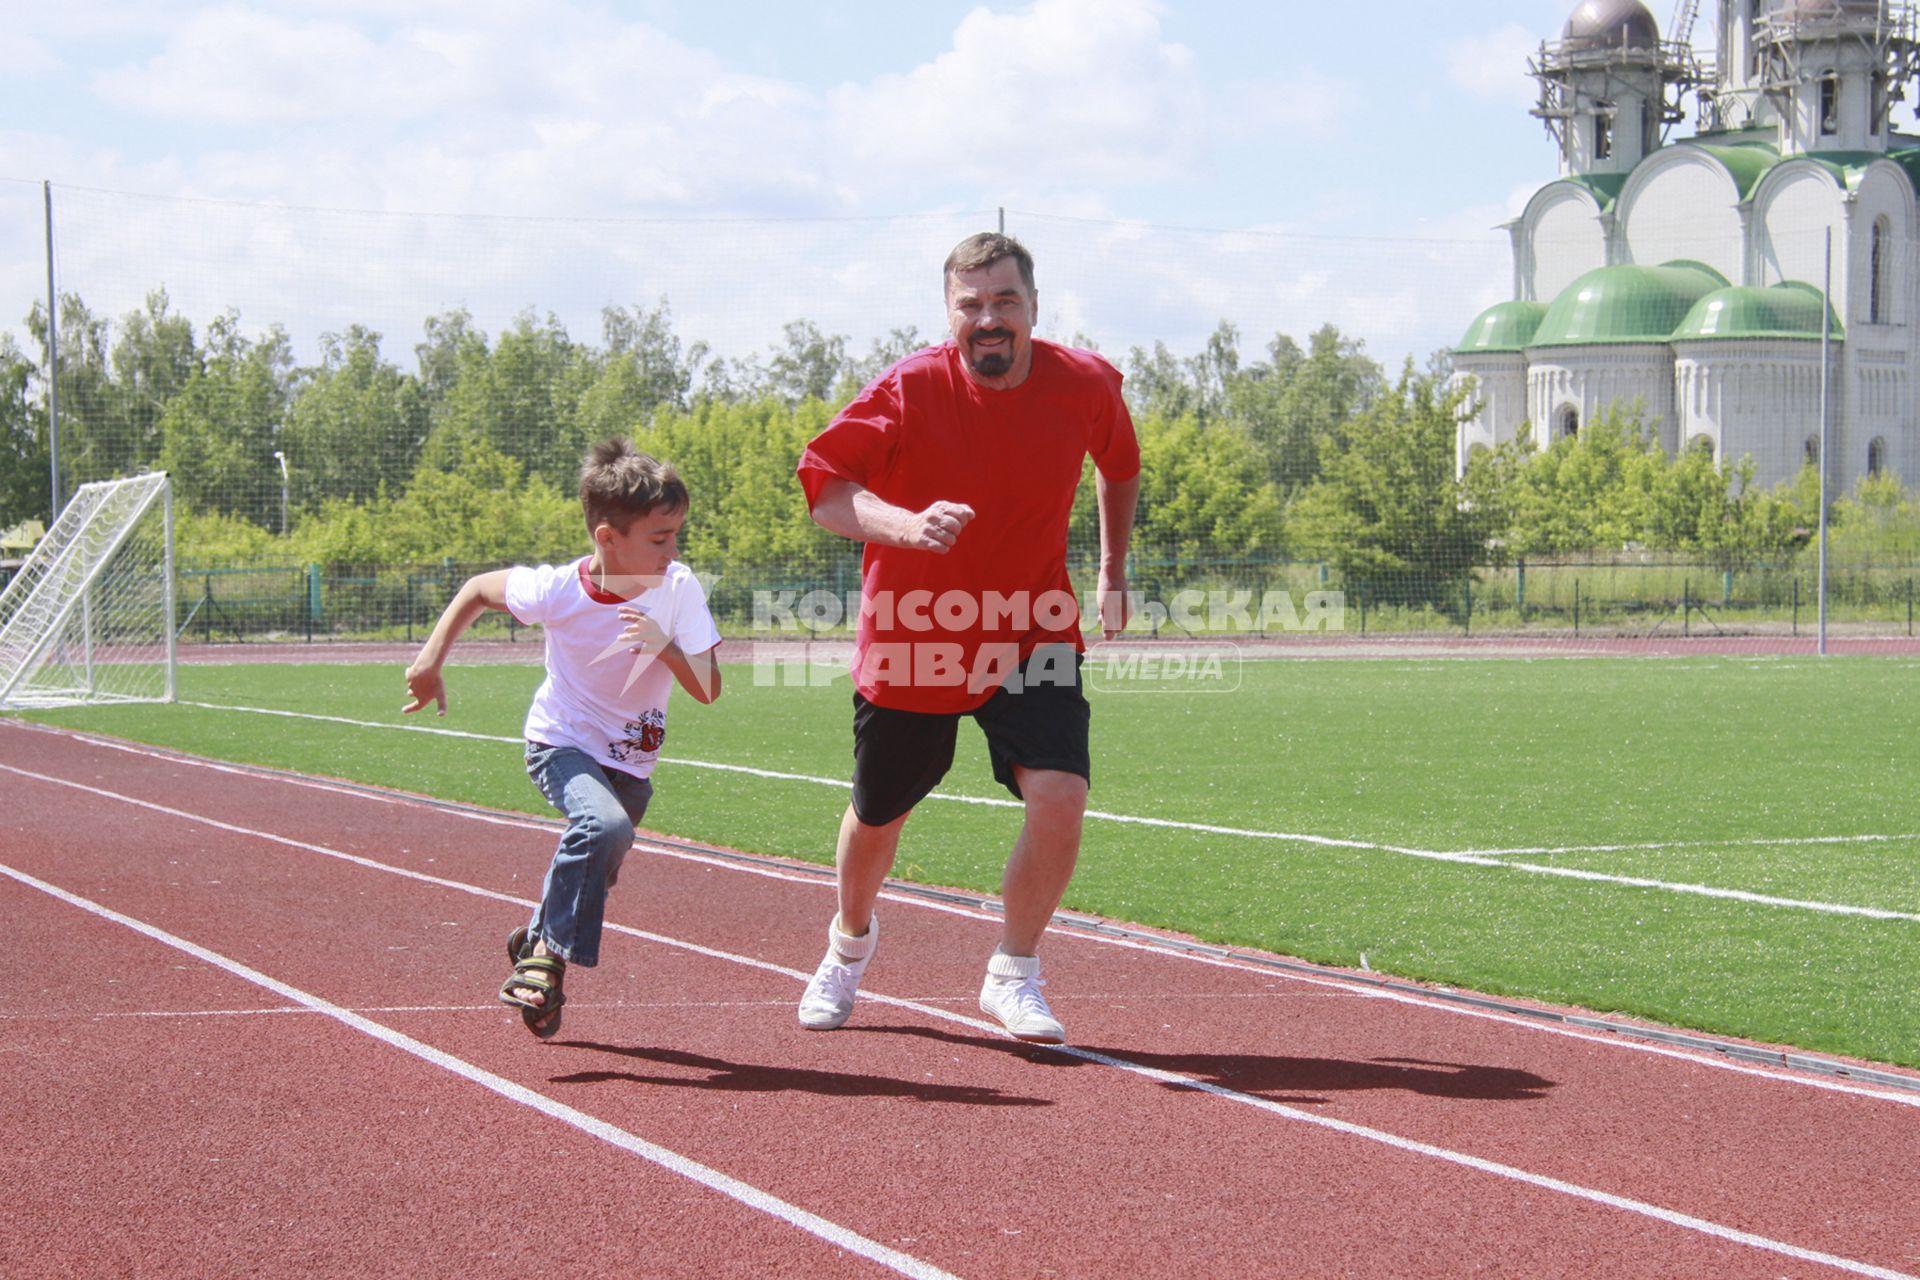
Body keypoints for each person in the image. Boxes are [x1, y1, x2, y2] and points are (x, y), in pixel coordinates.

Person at [792, 231, 1140, 1044]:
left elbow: (1118, 466)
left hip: (1032, 625)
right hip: (917, 632)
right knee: (879, 815)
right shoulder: (908, 389)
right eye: (971, 304)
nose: (989, 318)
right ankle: (848, 945)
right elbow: (826, 489)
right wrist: (905, 525)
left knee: (1061, 796)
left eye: (1005, 301)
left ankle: (1013, 972)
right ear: (949, 313)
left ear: (1034, 308)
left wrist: (1113, 570)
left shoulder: (1085, 383)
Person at [403, 439, 722, 1039]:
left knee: (598, 859)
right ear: (608, 538)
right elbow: (477, 589)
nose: (674, 551)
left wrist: (666, 646)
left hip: (631, 762)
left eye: (677, 535)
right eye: (659, 539)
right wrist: (429, 661)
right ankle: (545, 960)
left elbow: (709, 688)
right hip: (560, 741)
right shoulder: (557, 589)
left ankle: (533, 934)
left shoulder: (677, 589)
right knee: (601, 828)